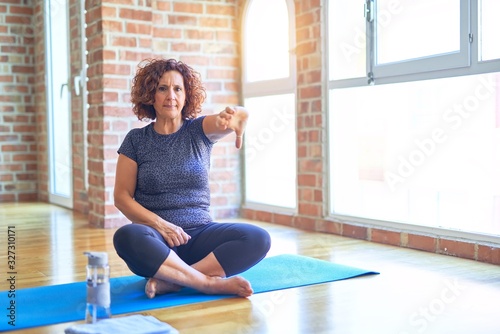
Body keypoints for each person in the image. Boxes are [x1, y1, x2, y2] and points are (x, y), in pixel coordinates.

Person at [112, 58, 271, 299]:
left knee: (258, 238)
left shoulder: (199, 130)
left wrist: (238, 115)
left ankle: (174, 281)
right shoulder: (136, 140)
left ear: (187, 95)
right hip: (157, 242)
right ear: (150, 95)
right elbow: (122, 198)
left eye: (178, 89)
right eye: (162, 88)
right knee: (126, 236)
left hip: (200, 236)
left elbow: (224, 121)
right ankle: (207, 284)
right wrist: (161, 225)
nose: (171, 96)